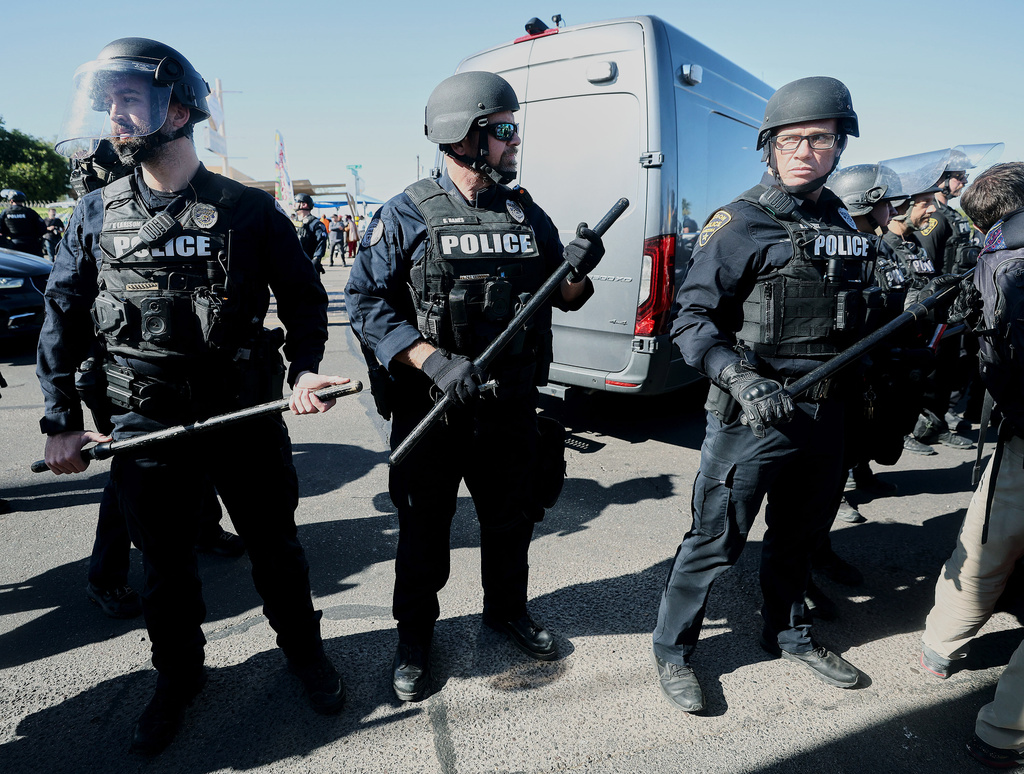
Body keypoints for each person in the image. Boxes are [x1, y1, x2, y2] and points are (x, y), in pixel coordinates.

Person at [39, 37, 348, 754]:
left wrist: (304, 371)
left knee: (276, 550)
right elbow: (61, 316)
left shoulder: (248, 211)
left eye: (128, 101)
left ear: (178, 109)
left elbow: (305, 301)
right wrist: (59, 419)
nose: (115, 116)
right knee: (165, 568)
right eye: (108, 102)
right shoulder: (93, 213)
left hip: (241, 412)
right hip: (144, 420)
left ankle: (305, 654)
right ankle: (178, 677)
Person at [345, 70, 604, 704]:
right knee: (424, 531)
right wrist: (432, 362)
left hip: (509, 407)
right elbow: (365, 302)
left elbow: (563, 297)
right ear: (464, 136)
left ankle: (507, 610)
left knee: (510, 522)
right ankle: (414, 637)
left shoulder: (524, 211)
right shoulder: (406, 212)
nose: (515, 144)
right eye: (504, 131)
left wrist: (579, 267)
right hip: (431, 411)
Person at [651, 76, 873, 713]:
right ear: (769, 145)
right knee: (715, 541)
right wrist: (739, 377)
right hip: (753, 418)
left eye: (822, 140)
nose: (807, 150)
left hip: (825, 415)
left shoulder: (842, 220)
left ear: (839, 147)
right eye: (793, 139)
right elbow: (691, 321)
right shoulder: (742, 221)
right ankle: (673, 649)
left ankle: (787, 630)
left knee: (800, 537)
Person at [916, 162, 1024, 769]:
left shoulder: (993, 259)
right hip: (1015, 430)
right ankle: (1006, 734)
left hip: (1013, 433)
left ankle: (938, 647)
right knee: (984, 549)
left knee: (983, 551)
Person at [0, 191, 47, 256]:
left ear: (11, 200)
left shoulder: (5, 212)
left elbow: (1, 228)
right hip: (31, 245)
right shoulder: (30, 212)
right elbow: (43, 228)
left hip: (13, 245)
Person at [294, 192, 327, 273]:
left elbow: (321, 242)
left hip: (308, 266)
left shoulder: (316, 224)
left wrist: (317, 258)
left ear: (304, 204)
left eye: (296, 202)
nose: (294, 204)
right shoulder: (292, 222)